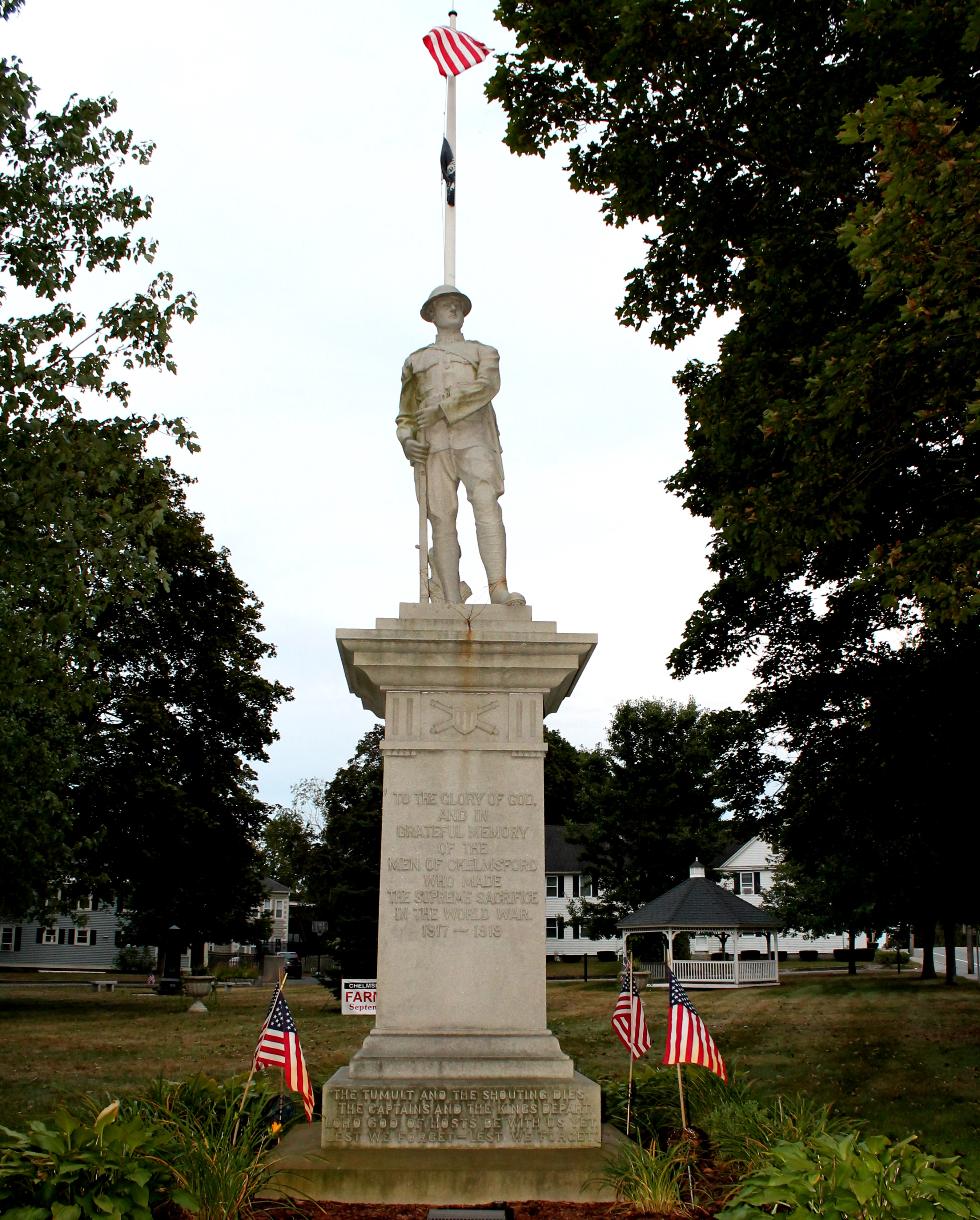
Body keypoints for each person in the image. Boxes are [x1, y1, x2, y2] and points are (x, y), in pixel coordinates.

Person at [397, 285, 525, 606]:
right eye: (445, 305)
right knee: (441, 517)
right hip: (433, 444)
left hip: (474, 437)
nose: (452, 309)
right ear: (431, 314)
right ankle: (450, 599)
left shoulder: (484, 352)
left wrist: (444, 408)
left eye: (457, 304)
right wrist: (407, 440)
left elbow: (487, 386)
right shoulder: (416, 361)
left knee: (486, 504)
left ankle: (498, 587)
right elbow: (406, 414)